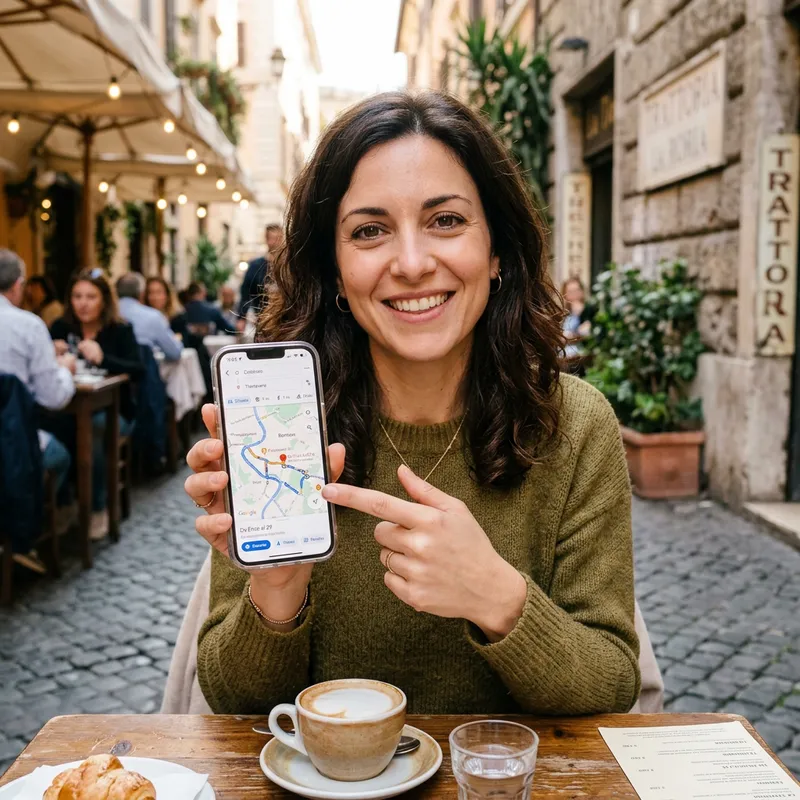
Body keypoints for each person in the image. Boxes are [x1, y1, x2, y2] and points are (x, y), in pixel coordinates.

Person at [185, 91, 640, 716]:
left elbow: (614, 683)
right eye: (369, 231)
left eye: (446, 220)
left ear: (498, 249)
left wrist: (496, 597)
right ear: (335, 269)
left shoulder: (575, 424)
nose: (411, 263)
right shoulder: (279, 431)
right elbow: (232, 697)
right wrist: (277, 592)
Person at [51, 269, 144, 539]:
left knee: (94, 428)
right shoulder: (60, 327)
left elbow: (138, 370)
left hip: (116, 411)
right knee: (58, 427)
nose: (83, 303)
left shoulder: (120, 329)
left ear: (104, 300)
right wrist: (50, 351)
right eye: (77, 296)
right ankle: (65, 503)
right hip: (70, 409)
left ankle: (98, 507)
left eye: (90, 296)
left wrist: (104, 359)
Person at [0, 250, 75, 557]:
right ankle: (26, 526)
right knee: (60, 456)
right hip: (11, 443)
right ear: (18, 286)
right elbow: (53, 398)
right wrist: (66, 369)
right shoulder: (28, 325)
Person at [117, 272, 183, 361]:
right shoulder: (153, 317)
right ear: (143, 294)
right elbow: (175, 352)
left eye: (159, 292)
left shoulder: (178, 317)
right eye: (151, 292)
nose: (155, 297)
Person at [238, 223, 282, 324]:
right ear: (266, 240)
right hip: (262, 320)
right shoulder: (256, 266)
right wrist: (241, 318)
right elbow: (245, 293)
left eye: (278, 238)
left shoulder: (289, 267)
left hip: (285, 321)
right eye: (272, 238)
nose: (275, 242)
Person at [171, 282, 237, 339]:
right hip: (209, 351)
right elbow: (229, 330)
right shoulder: (212, 311)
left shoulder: (179, 315)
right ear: (202, 293)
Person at [561, 277, 590, 359]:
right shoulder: (563, 314)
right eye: (570, 292)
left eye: (576, 291)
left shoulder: (588, 311)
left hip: (582, 357)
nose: (574, 295)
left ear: (582, 292)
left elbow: (587, 332)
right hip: (564, 357)